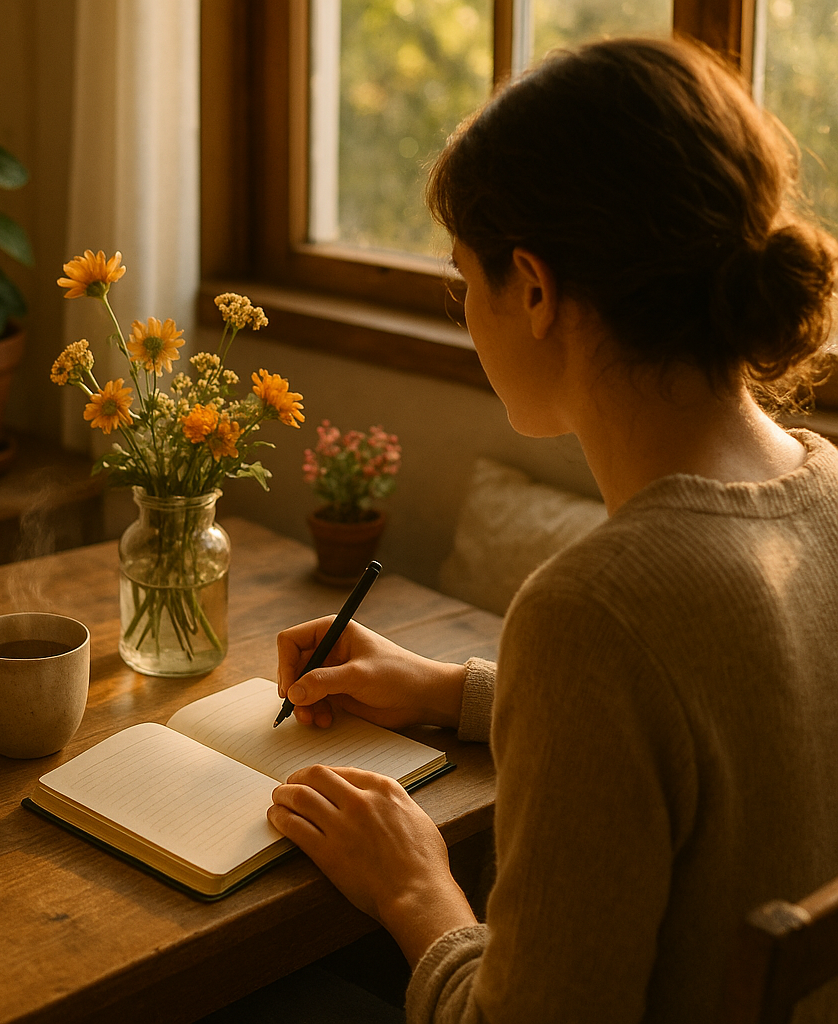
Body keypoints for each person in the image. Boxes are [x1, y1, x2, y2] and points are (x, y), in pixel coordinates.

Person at [267, 37, 838, 1024]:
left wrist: (412, 886)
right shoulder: (823, 490)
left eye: (462, 282)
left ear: (532, 287)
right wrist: (455, 690)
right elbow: (735, 721)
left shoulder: (597, 612)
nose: (464, 315)